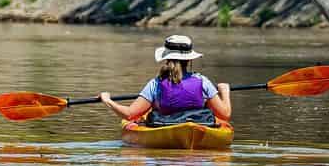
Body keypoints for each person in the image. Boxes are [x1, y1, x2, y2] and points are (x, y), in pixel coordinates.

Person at [98, 35, 231, 124]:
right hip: (198, 124)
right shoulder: (203, 81)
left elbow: (129, 115)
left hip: (165, 126)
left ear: (166, 58)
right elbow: (225, 115)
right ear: (190, 59)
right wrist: (224, 91)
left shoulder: (155, 84)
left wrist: (107, 100)